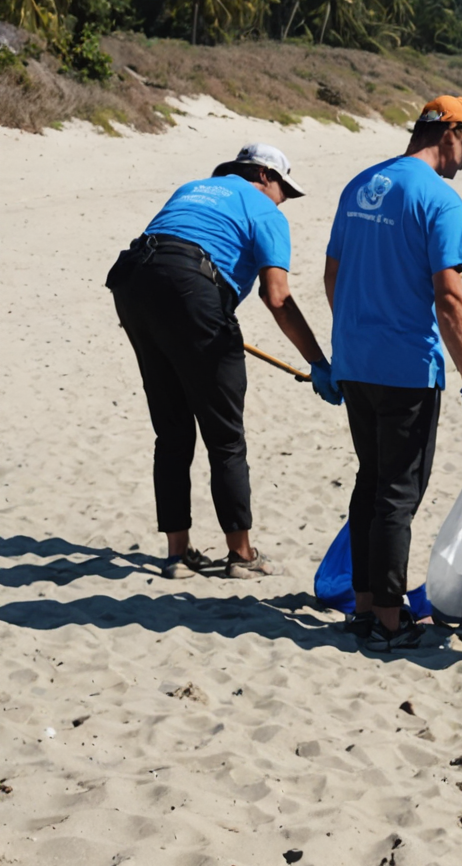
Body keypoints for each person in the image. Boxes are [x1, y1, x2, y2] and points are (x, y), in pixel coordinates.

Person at [107, 143, 337, 579]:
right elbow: (278, 297)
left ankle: (178, 555)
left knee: (171, 430)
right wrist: (318, 362)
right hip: (189, 290)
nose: (284, 198)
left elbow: (172, 258)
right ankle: (241, 555)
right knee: (225, 435)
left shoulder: (193, 188)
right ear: (266, 176)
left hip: (135, 285)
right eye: (284, 188)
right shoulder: (267, 212)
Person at [326, 95, 462, 653]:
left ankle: (366, 606)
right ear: (446, 133)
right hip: (404, 367)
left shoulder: (359, 185)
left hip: (354, 359)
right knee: (398, 493)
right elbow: (450, 298)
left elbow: (333, 274)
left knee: (370, 481)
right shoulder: (439, 200)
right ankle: (390, 623)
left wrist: (354, 331)